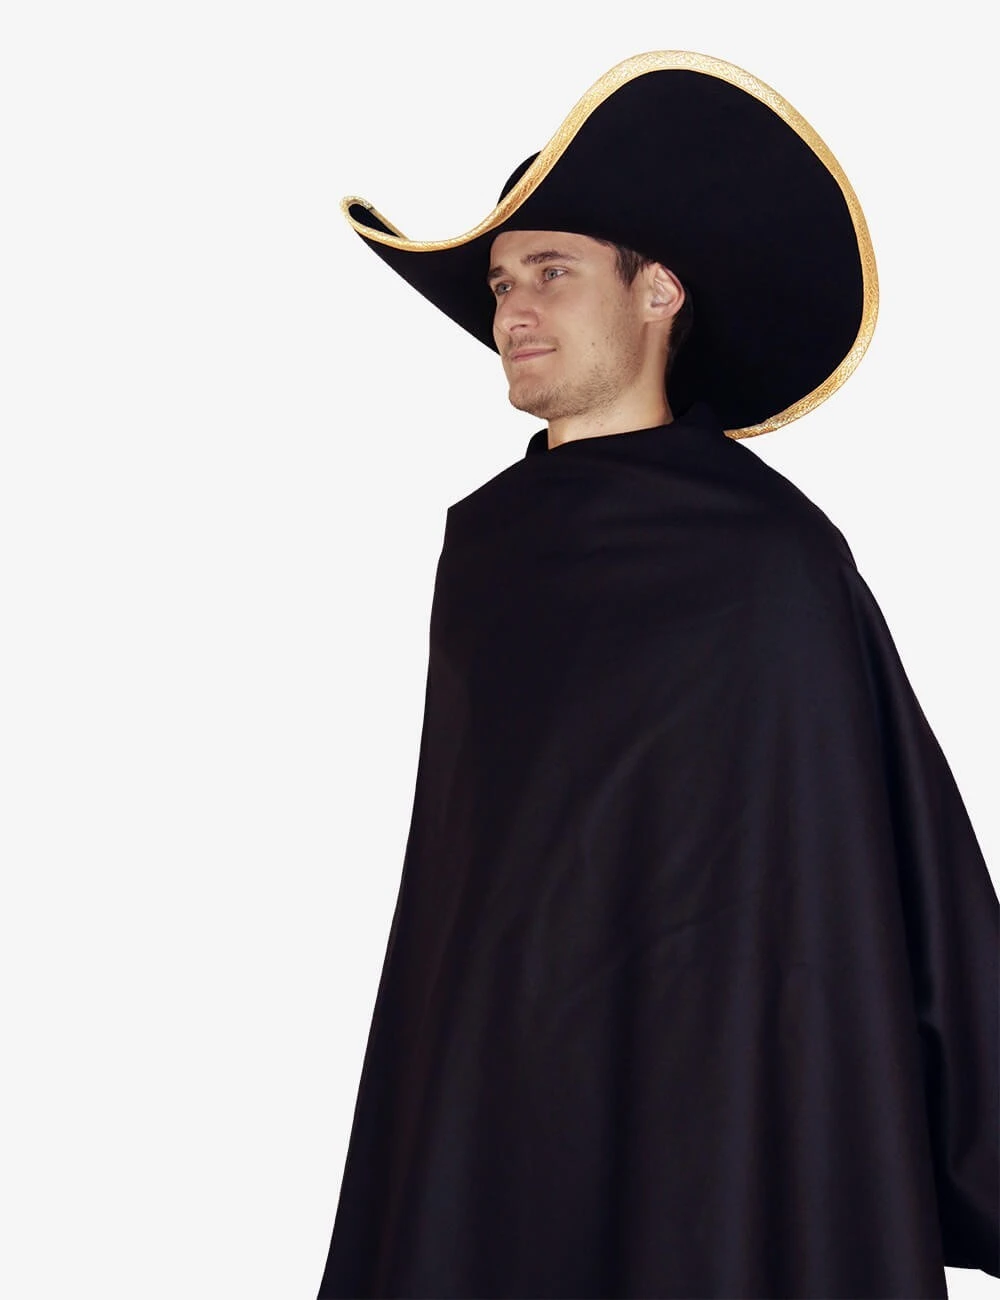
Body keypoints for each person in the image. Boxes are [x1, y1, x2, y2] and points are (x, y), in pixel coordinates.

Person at [316, 51, 999, 1299]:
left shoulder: (771, 558)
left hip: (719, 1109)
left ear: (657, 292)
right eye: (501, 284)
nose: (511, 312)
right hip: (501, 1101)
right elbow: (464, 894)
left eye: (551, 272)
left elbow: (878, 875)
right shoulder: (484, 551)